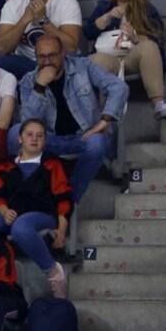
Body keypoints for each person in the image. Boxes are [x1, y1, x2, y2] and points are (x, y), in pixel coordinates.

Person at [19, 31, 127, 203]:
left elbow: (118, 87)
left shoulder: (83, 66)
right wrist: (39, 87)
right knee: (13, 134)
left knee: (97, 143)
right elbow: (27, 124)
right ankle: (28, 192)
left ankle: (69, 199)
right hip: (50, 139)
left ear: (62, 53)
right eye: (41, 57)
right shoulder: (28, 81)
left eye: (52, 56)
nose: (47, 62)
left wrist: (105, 119)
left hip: (84, 135)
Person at [0, 117, 73, 299]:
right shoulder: (5, 166)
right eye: (29, 135)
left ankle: (53, 272)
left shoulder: (52, 163)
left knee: (21, 227)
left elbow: (64, 197)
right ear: (20, 138)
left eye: (39, 136)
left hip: (43, 213)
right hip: (11, 214)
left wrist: (62, 228)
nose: (34, 139)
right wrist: (4, 211)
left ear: (45, 141)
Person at [86, 0, 166, 120]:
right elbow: (88, 32)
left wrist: (135, 37)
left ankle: (159, 103)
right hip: (109, 57)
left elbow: (159, 38)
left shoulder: (146, 9)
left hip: (132, 56)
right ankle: (106, 111)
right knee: (96, 60)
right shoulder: (103, 7)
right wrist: (108, 17)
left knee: (149, 46)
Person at [0, 0, 85, 86]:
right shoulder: (13, 4)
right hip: (27, 63)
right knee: (0, 62)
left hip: (59, 61)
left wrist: (43, 20)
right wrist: (24, 20)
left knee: (76, 61)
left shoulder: (67, 1)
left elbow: (71, 47)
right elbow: (2, 48)